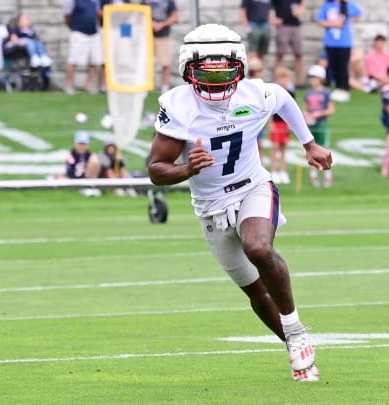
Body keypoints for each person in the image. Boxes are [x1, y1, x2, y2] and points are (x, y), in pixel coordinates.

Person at [147, 24, 331, 382]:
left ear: (240, 67)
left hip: (252, 187)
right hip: (209, 205)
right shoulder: (178, 106)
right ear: (188, 71)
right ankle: (295, 347)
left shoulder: (254, 94)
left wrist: (309, 144)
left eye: (225, 72)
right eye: (205, 73)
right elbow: (156, 170)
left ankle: (295, 331)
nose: (216, 83)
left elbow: (283, 98)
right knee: (255, 290)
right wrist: (187, 168)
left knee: (258, 248)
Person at [316, 0, 362, 102]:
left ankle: (344, 88)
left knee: (343, 66)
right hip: (331, 42)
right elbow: (320, 20)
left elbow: (359, 13)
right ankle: (337, 87)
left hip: (344, 42)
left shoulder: (348, 4)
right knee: (334, 65)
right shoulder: (327, 5)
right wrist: (333, 24)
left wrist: (349, 21)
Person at [303, 64, 335, 188]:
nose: (312, 80)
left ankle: (328, 175)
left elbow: (331, 109)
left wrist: (319, 113)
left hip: (321, 123)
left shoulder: (326, 92)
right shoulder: (308, 93)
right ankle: (313, 175)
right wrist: (307, 115)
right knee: (311, 148)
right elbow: (304, 109)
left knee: (324, 148)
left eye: (314, 77)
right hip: (311, 125)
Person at [63, 0, 103, 95]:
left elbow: (97, 13)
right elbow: (67, 15)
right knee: (73, 60)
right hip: (78, 32)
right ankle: (69, 85)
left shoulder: (95, 1)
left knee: (94, 61)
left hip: (93, 33)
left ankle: (89, 85)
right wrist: (73, 27)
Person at [140, 0, 179, 92]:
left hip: (163, 36)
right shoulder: (145, 1)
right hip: (147, 36)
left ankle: (164, 88)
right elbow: (139, 15)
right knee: (145, 62)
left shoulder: (169, 2)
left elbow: (175, 17)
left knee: (165, 63)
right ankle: (145, 86)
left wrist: (161, 24)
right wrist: (150, 23)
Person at [272, 0, 305, 88]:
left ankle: (299, 82)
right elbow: (267, 7)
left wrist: (300, 10)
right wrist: (272, 20)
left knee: (299, 54)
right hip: (283, 26)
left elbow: (302, 3)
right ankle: (277, 81)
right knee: (280, 54)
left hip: (295, 25)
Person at [269, 66, 294, 184]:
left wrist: (290, 124)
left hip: (285, 123)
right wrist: (271, 123)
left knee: (284, 148)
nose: (284, 80)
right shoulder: (273, 92)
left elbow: (292, 110)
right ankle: (273, 171)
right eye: (282, 78)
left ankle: (283, 171)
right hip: (276, 122)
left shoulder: (290, 92)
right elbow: (270, 109)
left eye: (286, 78)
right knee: (275, 148)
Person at [66, 130, 103, 196]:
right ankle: (83, 188)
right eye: (80, 143)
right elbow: (70, 172)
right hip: (76, 179)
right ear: (75, 144)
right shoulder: (72, 156)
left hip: (87, 178)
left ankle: (92, 185)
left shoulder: (89, 155)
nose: (81, 146)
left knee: (95, 159)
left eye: (83, 144)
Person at [240, 0, 274, 66]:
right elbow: (242, 11)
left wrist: (270, 25)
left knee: (262, 53)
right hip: (254, 25)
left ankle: (259, 73)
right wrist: (247, 27)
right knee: (253, 52)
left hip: (265, 26)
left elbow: (269, 11)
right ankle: (251, 73)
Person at [247, 57, 266, 162]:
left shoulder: (258, 84)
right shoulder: (250, 84)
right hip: (251, 118)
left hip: (257, 118)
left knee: (259, 145)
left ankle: (260, 164)